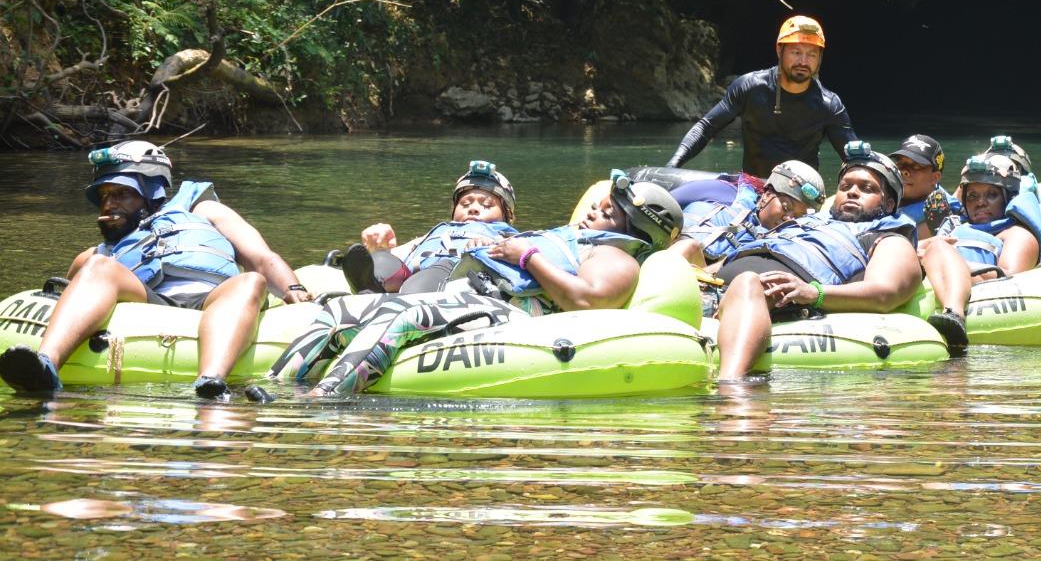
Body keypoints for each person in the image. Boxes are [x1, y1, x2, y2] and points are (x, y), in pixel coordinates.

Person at [273, 172, 683, 395]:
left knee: (409, 313)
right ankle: (274, 392)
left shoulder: (614, 256)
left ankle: (323, 398)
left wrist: (526, 256)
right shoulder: (571, 237)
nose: (594, 212)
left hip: (506, 306)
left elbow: (588, 299)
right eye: (599, 206)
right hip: (466, 291)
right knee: (340, 311)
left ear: (634, 227)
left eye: (608, 212)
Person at [0, 140, 312, 400]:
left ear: (151, 192)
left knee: (251, 281)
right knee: (95, 265)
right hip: (151, 300)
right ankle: (45, 367)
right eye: (104, 197)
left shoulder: (202, 210)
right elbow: (72, 291)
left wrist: (294, 290)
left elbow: (260, 257)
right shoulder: (101, 254)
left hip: (217, 295)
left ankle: (211, 382)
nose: (109, 204)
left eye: (122, 193)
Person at [714, 143, 922, 379]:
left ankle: (730, 390)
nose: (853, 192)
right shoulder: (804, 222)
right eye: (846, 186)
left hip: (771, 293)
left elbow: (886, 292)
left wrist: (814, 293)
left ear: (889, 204)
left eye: (867, 188)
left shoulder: (885, 237)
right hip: (719, 286)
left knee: (748, 282)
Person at [666, 15, 856, 179]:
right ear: (779, 50)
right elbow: (705, 128)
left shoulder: (829, 104)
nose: (803, 61)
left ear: (820, 58)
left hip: (800, 193)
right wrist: (671, 167)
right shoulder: (750, 87)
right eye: (796, 52)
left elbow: (853, 157)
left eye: (812, 54)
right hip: (751, 187)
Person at [919, 152, 1041, 345]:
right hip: (932, 275)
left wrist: (958, 265)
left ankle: (955, 315)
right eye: (972, 196)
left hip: (978, 284)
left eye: (991, 195)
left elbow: (1010, 276)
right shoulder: (958, 229)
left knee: (938, 245)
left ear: (1007, 198)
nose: (980, 202)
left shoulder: (1017, 233)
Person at [341, 161, 519, 293]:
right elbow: (399, 255)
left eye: (486, 205)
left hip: (454, 274)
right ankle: (368, 289)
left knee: (426, 277)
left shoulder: (508, 237)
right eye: (464, 204)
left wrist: (493, 247)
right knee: (381, 259)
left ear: (507, 216)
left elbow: (525, 257)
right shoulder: (436, 233)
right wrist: (379, 248)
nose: (472, 208)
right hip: (413, 271)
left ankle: (403, 303)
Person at [671, 160, 827, 269]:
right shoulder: (723, 193)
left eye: (798, 218)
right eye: (786, 208)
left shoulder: (788, 244)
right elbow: (658, 202)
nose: (789, 219)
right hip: (671, 255)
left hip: (711, 286)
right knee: (689, 247)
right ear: (766, 195)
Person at [889, 134, 958, 238]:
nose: (904, 171)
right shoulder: (883, 194)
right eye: (900, 164)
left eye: (916, 166)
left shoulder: (942, 213)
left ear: (935, 177)